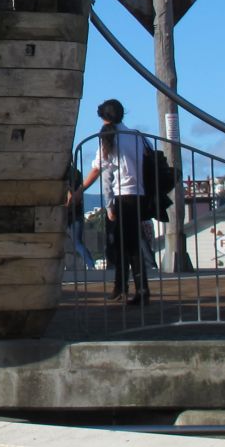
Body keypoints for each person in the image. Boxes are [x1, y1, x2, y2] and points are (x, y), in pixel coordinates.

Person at [68, 99, 149, 305]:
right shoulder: (136, 136)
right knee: (128, 244)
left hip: (122, 197)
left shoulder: (108, 137)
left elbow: (101, 172)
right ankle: (127, 288)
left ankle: (133, 289)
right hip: (139, 195)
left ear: (104, 118)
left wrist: (96, 199)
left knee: (124, 246)